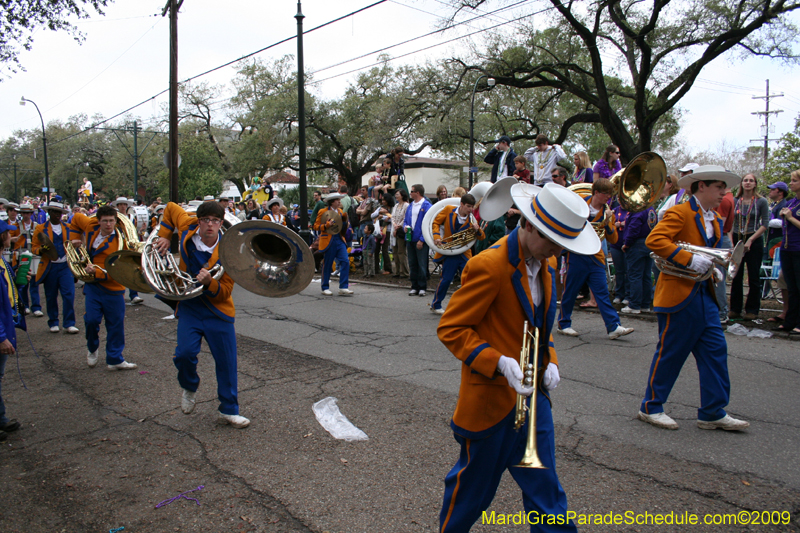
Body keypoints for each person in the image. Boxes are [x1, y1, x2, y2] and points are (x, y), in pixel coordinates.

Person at [437, 182, 596, 533]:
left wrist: (550, 357)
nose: (556, 251)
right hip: (492, 404)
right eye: (552, 241)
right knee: (470, 498)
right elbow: (452, 328)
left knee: (547, 497)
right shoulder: (488, 265)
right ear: (527, 224)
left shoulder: (547, 263)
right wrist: (498, 362)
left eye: (562, 244)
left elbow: (539, 326)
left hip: (534, 403)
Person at [638, 165, 749, 431]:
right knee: (671, 354)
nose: (724, 192)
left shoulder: (717, 219)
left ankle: (712, 411)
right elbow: (655, 240)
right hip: (678, 294)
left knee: (716, 352)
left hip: (704, 293)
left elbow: (711, 253)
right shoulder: (680, 211)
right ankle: (651, 407)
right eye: (719, 187)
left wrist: (713, 269)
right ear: (702, 186)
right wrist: (688, 259)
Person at [154, 201, 250, 428]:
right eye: (206, 220)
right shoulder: (187, 227)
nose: (210, 225)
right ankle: (189, 386)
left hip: (218, 311)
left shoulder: (230, 250)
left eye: (215, 221)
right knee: (184, 354)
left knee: (227, 362)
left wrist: (209, 284)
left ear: (221, 223)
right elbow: (169, 208)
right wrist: (166, 235)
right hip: (190, 306)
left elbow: (225, 291)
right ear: (198, 221)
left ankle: (229, 409)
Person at [557, 179, 635, 339]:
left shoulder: (608, 212)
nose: (609, 197)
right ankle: (563, 324)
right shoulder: (579, 203)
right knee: (571, 291)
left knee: (602, 293)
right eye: (606, 193)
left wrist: (607, 223)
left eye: (610, 194)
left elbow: (613, 239)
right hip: (577, 254)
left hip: (596, 256)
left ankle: (613, 326)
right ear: (596, 192)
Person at [68, 206, 138, 370]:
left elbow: (122, 270)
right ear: (98, 221)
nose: (108, 224)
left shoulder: (123, 241)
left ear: (116, 221)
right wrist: (74, 239)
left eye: (111, 221)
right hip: (93, 286)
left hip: (113, 287)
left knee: (115, 325)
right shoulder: (91, 226)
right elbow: (77, 218)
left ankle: (115, 359)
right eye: (105, 221)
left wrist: (97, 272)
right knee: (91, 321)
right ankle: (92, 348)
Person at [430, 193, 485, 314]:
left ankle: (468, 307)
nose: (471, 209)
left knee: (470, 280)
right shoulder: (449, 209)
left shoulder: (472, 219)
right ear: (461, 204)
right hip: (450, 252)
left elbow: (482, 237)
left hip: (464, 253)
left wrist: (478, 230)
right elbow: (436, 222)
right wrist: (436, 236)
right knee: (446, 280)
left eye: (472, 207)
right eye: (468, 206)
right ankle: (436, 304)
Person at [32, 201, 79, 334]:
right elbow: (34, 247)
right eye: (55, 212)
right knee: (51, 295)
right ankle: (53, 321)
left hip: (65, 265)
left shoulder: (68, 227)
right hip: (50, 266)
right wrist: (41, 250)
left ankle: (69, 323)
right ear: (49, 213)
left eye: (59, 212)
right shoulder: (40, 228)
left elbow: (77, 242)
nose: (58, 214)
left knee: (69, 294)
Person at [0, 219, 27, 442]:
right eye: (8, 233)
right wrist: (1, 337)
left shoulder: (2, 261)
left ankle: (1, 418)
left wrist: (20, 278)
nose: (12, 235)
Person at [729, 173, 769, 320]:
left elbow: (765, 223)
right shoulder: (735, 200)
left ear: (755, 184)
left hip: (754, 237)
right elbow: (729, 222)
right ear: (741, 184)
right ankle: (735, 309)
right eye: (745, 180)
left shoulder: (761, 201)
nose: (748, 183)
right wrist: (732, 242)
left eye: (751, 181)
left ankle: (752, 310)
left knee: (753, 276)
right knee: (736, 275)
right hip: (736, 237)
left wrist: (750, 240)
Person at [314, 193, 353, 296]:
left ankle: (343, 287)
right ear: (332, 202)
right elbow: (316, 226)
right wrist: (326, 225)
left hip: (339, 239)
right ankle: (325, 287)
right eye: (337, 200)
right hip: (328, 239)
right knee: (328, 264)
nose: (339, 202)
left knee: (345, 261)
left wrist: (346, 223)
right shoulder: (323, 211)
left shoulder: (341, 212)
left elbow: (343, 227)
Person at [775, 170, 800, 335]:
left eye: (794, 181)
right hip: (786, 248)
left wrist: (790, 218)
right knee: (791, 287)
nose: (790, 183)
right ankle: (790, 321)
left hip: (798, 249)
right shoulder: (791, 202)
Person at [620, 205, 657, 314]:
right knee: (646, 276)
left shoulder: (638, 209)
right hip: (648, 242)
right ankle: (645, 304)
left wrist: (627, 243)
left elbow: (634, 227)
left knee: (635, 275)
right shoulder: (651, 208)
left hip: (637, 244)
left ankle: (635, 305)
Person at [12, 203, 42, 317]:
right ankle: (24, 305)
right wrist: (13, 239)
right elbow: (8, 238)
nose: (26, 215)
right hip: (21, 255)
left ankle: (36, 307)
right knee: (23, 281)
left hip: (34, 255)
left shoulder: (37, 226)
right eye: (24, 213)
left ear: (31, 213)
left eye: (28, 213)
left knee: (34, 282)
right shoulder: (16, 226)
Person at [404, 184, 432, 296]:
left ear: (418, 193)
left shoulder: (426, 205)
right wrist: (405, 227)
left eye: (412, 191)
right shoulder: (411, 206)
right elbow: (406, 220)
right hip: (410, 239)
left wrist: (422, 239)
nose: (410, 193)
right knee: (412, 263)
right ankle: (414, 286)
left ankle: (422, 286)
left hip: (420, 240)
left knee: (421, 264)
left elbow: (428, 224)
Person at [391, 189, 410, 278]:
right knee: (395, 251)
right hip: (394, 229)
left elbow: (406, 217)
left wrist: (399, 226)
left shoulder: (406, 205)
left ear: (402, 195)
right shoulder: (395, 206)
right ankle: (397, 271)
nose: (396, 196)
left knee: (401, 251)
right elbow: (392, 217)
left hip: (401, 230)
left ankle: (404, 271)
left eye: (398, 194)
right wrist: (394, 225)